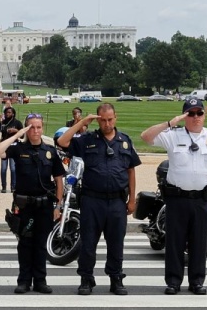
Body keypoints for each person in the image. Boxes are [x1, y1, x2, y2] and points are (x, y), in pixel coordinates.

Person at [141, 98, 207, 295]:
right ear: (184, 116)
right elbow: (146, 137)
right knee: (175, 241)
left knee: (199, 242)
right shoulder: (173, 135)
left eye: (199, 113)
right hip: (177, 198)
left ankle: (197, 281)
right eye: (191, 113)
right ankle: (173, 281)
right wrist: (170, 123)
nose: (196, 117)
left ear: (204, 115)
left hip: (201, 199)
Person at [57, 103, 141, 296]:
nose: (107, 123)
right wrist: (83, 122)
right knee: (88, 242)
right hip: (92, 200)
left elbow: (131, 170)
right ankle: (86, 278)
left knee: (116, 242)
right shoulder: (87, 140)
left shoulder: (124, 141)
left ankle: (116, 277)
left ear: (115, 117)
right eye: (102, 120)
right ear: (97, 119)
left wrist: (132, 199)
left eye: (110, 119)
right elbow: (62, 141)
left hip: (117, 201)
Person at [0, 114, 64, 294]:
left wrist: (58, 206)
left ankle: (40, 280)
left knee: (40, 244)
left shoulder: (50, 151)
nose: (35, 131)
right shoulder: (18, 149)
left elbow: (59, 180)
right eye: (31, 127)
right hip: (24, 205)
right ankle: (24, 280)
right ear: (26, 129)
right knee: (25, 243)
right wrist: (18, 135)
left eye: (38, 127)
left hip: (44, 204)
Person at [0, 107, 23, 193]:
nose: (7, 114)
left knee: (13, 168)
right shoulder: (3, 122)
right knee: (3, 168)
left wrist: (16, 130)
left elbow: (22, 136)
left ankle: (13, 186)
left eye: (9, 112)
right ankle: (4, 186)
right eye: (6, 112)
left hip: (14, 147)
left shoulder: (17, 123)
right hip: (4, 147)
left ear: (13, 113)